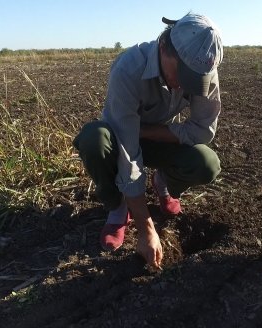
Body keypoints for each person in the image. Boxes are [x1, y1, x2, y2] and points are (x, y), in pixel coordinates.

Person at [73, 13, 223, 269]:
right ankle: (118, 208)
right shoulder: (129, 69)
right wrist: (147, 229)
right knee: (93, 139)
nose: (182, 86)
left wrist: (146, 131)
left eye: (195, 80)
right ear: (164, 47)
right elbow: (128, 155)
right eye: (182, 75)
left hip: (151, 135)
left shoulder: (203, 70)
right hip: (119, 138)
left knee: (206, 162)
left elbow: (203, 130)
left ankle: (163, 182)